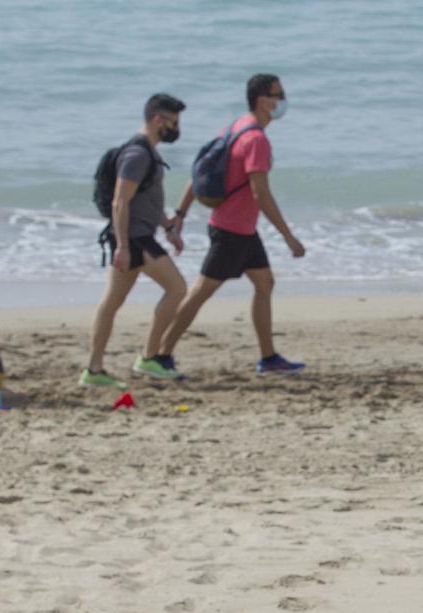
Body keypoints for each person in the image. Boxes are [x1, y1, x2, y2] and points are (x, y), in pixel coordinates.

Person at [155, 73, 306, 375]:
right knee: (200, 292)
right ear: (263, 100)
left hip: (241, 230)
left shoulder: (237, 126)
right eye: (278, 94)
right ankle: (159, 355)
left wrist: (181, 214)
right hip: (231, 232)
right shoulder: (256, 140)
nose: (283, 100)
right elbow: (260, 194)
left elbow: (199, 174)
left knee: (265, 283)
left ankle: (268, 358)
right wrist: (289, 237)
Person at [81, 93, 190, 389]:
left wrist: (168, 226)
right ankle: (149, 357)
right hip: (134, 239)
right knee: (177, 288)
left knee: (111, 302)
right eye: (173, 122)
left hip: (136, 236)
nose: (176, 129)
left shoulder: (148, 153)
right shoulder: (138, 154)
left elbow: (147, 202)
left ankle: (94, 370)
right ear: (157, 120)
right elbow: (120, 201)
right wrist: (124, 246)